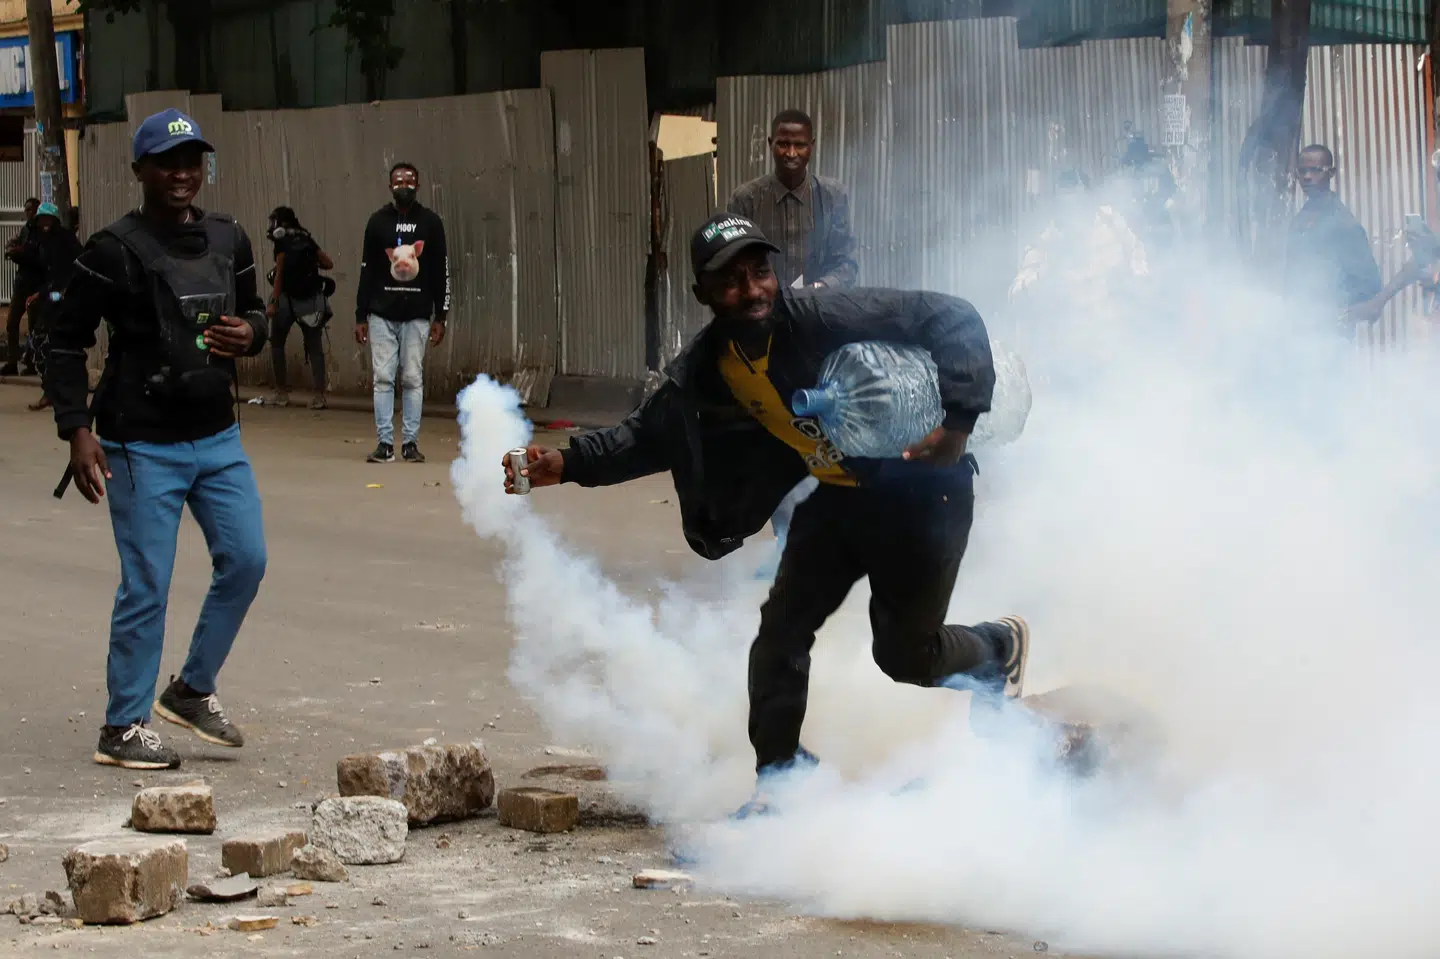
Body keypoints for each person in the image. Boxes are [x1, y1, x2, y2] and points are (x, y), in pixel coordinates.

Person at [502, 212, 1031, 815]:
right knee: (779, 637)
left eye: (760, 272)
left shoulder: (822, 319)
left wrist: (958, 424)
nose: (752, 290)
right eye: (731, 281)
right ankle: (780, 786)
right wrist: (566, 463)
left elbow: (951, 315)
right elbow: (646, 436)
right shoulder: (709, 369)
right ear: (703, 294)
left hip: (922, 493)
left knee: (906, 656)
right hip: (839, 499)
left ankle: (997, 649)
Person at [44, 108, 269, 770]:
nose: (181, 173)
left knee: (247, 560)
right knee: (147, 584)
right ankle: (123, 725)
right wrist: (77, 430)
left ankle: (192, 689)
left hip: (218, 438)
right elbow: (63, 342)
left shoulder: (229, 238)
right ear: (139, 170)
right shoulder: (112, 250)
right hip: (140, 445)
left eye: (191, 161)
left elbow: (258, 312)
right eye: (166, 163)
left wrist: (252, 333)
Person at [726, 109, 861, 572]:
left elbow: (847, 264)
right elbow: (732, 267)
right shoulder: (746, 200)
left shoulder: (832, 197)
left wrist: (818, 291)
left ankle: (825, 540)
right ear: (770, 145)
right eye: (783, 144)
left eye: (799, 144)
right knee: (773, 443)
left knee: (824, 437)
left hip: (818, 335)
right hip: (763, 340)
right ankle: (787, 543)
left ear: (811, 147)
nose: (791, 153)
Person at [355, 161, 449, 464]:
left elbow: (441, 271)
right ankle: (384, 444)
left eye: (409, 181)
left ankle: (410, 443)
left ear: (418, 186)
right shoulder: (377, 222)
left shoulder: (431, 223)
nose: (403, 186)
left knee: (412, 379)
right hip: (381, 315)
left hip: (417, 315)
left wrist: (441, 315)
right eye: (398, 181)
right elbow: (367, 270)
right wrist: (360, 315)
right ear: (390, 186)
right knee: (383, 379)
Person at [1285, 144, 1381, 323]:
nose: (1307, 176)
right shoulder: (1300, 219)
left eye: (1316, 170)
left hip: (1329, 328)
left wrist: (1337, 310)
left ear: (1331, 173)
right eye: (1302, 171)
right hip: (1298, 322)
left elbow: (1369, 282)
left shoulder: (1343, 224)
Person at [265, 206, 335, 409]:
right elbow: (328, 263)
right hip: (311, 300)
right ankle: (319, 396)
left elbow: (279, 275)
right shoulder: (307, 239)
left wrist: (273, 303)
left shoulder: (281, 243)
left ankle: (281, 393)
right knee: (315, 347)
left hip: (286, 300)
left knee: (277, 343)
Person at [18, 202, 83, 411]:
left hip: (65, 298)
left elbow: (74, 269)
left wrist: (63, 291)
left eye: (48, 219)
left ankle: (62, 393)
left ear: (55, 221)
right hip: (51, 298)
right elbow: (43, 272)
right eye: (42, 219)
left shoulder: (66, 240)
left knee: (59, 347)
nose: (45, 223)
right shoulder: (41, 242)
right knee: (41, 344)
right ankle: (50, 391)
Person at [2, 196, 41, 375]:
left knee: (34, 326)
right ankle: (12, 362)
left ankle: (32, 363)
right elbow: (16, 244)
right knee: (12, 323)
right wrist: (12, 249)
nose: (28, 213)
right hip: (22, 284)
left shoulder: (42, 232)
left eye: (30, 209)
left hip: (35, 285)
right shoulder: (26, 230)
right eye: (26, 210)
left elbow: (37, 257)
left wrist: (19, 253)